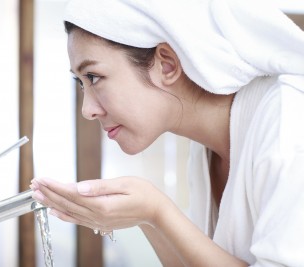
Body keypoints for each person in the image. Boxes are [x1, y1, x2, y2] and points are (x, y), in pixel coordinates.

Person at [30, 0, 304, 265]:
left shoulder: (288, 120)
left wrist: (157, 211)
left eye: (93, 77)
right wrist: (147, 218)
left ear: (167, 64)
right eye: (80, 83)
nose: (87, 110)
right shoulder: (204, 150)